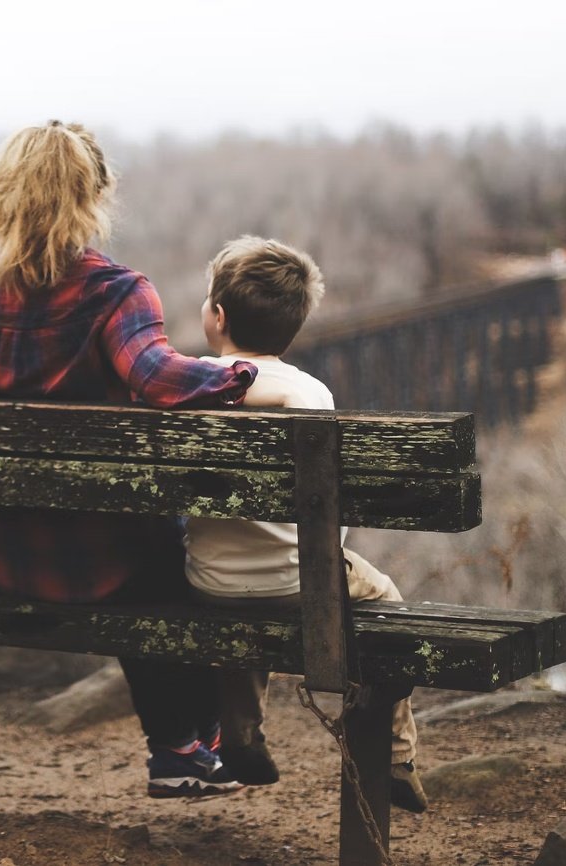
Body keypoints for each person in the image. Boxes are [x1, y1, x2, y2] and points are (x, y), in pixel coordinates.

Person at [0, 121, 258, 798]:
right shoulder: (116, 293)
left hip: (12, 559)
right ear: (94, 197)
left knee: (149, 547)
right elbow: (158, 378)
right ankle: (185, 745)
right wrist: (242, 374)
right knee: (176, 552)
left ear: (0, 195)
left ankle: (187, 747)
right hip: (115, 564)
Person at [183, 235, 429, 812]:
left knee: (242, 597)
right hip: (302, 581)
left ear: (217, 317)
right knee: (385, 598)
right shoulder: (310, 393)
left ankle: (240, 734)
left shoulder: (188, 384)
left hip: (209, 582)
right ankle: (396, 754)